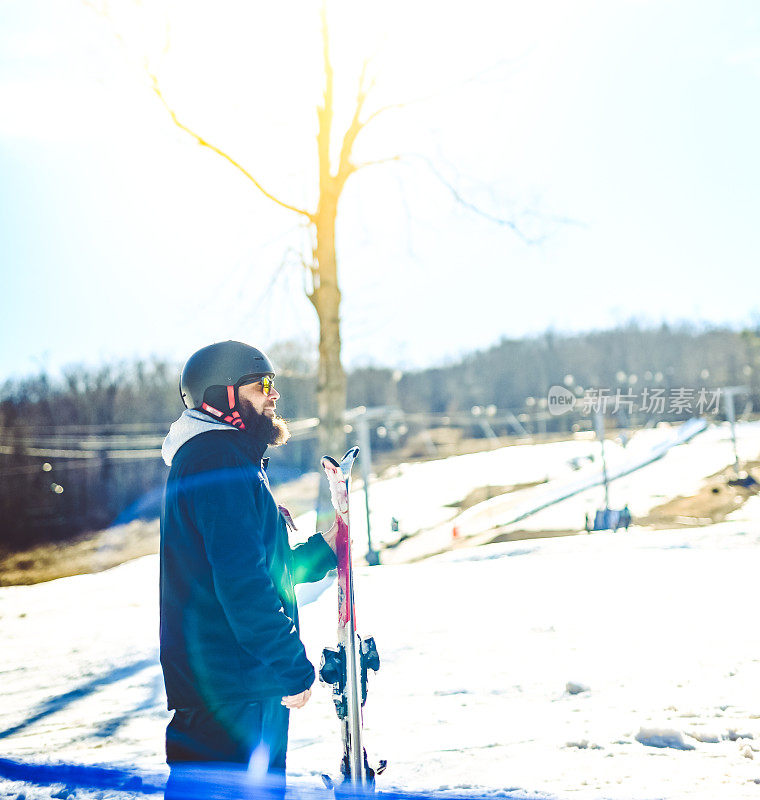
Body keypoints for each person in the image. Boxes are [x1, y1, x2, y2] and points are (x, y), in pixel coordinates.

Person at [159, 340, 339, 797]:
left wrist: (327, 549)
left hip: (237, 689)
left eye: (272, 384)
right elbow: (242, 586)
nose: (273, 394)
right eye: (262, 385)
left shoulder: (228, 461)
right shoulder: (216, 461)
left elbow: (267, 570)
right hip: (229, 695)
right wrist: (288, 665)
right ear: (221, 396)